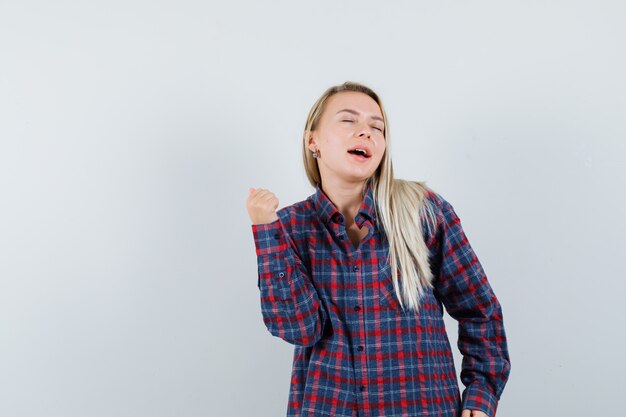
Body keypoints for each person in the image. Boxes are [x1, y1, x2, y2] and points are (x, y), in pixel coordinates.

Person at [246, 81, 511, 417]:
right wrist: (266, 231)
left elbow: (479, 311)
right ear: (312, 140)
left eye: (377, 127)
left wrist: (480, 395)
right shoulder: (290, 227)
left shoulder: (424, 211)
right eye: (348, 121)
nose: (366, 133)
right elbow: (298, 327)